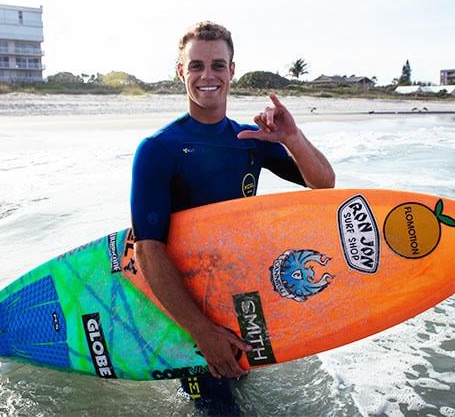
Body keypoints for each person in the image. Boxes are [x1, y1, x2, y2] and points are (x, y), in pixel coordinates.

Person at [130, 21, 335, 415]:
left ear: (232, 70)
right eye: (196, 66)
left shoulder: (249, 141)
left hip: (239, 305)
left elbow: (323, 184)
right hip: (188, 315)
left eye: (218, 65)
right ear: (180, 72)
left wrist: (292, 137)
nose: (208, 76)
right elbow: (148, 251)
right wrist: (202, 332)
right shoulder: (158, 149)